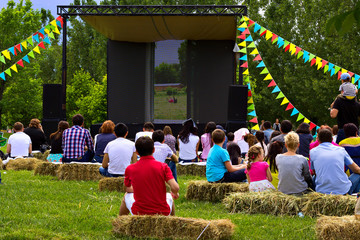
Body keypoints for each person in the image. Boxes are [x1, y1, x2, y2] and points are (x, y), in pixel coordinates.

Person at [119, 136, 179, 216]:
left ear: (137, 152)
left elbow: (126, 188)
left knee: (126, 195)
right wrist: (175, 193)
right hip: (162, 213)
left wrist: (140, 189)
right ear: (153, 150)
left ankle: (120, 223)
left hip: (139, 213)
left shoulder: (130, 168)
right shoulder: (163, 166)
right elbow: (175, 187)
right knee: (169, 195)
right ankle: (172, 223)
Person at [310, 129, 360, 195]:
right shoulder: (341, 150)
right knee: (358, 174)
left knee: (314, 177)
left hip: (322, 192)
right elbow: (356, 169)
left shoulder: (313, 151)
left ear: (318, 140)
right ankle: (355, 197)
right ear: (332, 139)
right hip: (343, 191)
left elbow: (314, 172)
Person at [330, 74, 360, 144]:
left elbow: (333, 115)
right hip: (355, 131)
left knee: (340, 150)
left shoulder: (339, 101)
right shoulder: (357, 104)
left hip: (343, 131)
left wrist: (332, 107)